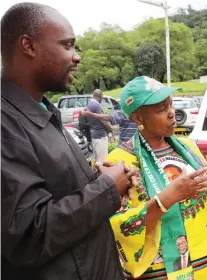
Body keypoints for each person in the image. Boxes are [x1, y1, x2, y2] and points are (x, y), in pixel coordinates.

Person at [1, 3, 137, 280]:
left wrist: (101, 178)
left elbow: (57, 189)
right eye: (68, 45)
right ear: (28, 46)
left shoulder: (43, 110)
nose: (77, 57)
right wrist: (107, 187)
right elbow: (28, 234)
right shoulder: (5, 122)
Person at [107, 76, 207, 280]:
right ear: (137, 119)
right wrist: (166, 199)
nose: (172, 113)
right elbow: (121, 227)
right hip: (162, 272)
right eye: (161, 109)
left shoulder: (188, 149)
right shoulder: (118, 163)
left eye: (170, 104)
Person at [87, 89, 112, 161]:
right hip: (100, 135)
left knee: (97, 159)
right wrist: (110, 129)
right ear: (100, 96)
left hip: (94, 134)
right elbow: (103, 120)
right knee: (103, 160)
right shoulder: (96, 105)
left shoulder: (90, 104)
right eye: (102, 97)